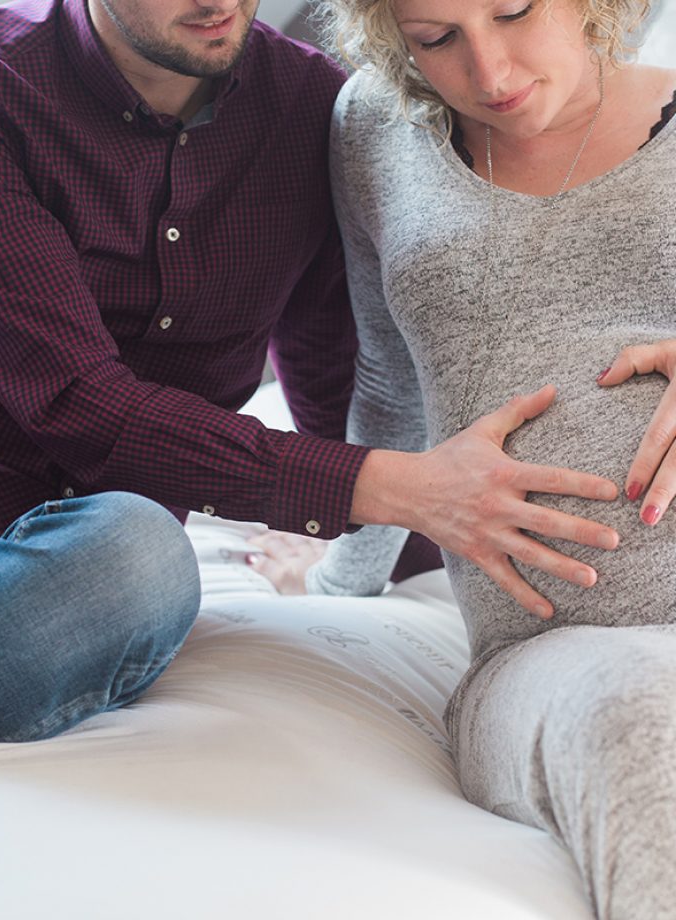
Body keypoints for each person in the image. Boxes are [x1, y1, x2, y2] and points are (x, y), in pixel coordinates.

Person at [0, 0, 620, 747]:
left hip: (85, 567)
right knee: (138, 553)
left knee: (137, 558)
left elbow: (336, 365)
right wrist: (401, 490)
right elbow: (75, 403)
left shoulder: (312, 108)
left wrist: (398, 539)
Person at [250, 0, 676, 915]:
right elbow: (390, 383)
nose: (489, 73)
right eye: (434, 38)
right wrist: (339, 577)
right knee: (643, 718)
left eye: (514, 11)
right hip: (569, 655)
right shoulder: (373, 127)